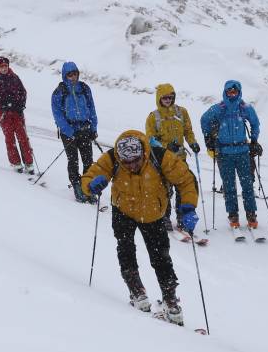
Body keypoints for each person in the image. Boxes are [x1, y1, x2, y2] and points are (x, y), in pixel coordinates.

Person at [81, 131, 199, 325]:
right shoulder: (113, 157)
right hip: (123, 210)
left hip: (153, 213)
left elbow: (186, 179)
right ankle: (136, 289)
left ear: (142, 153)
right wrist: (90, 186)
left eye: (135, 161)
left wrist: (188, 206)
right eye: (126, 163)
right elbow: (90, 175)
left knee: (161, 257)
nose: (131, 166)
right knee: (125, 248)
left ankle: (170, 298)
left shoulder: (159, 156)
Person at [199, 80, 261, 230]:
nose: (232, 94)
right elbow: (204, 120)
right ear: (225, 92)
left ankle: (251, 213)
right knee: (229, 186)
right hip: (224, 153)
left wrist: (254, 140)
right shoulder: (219, 108)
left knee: (247, 184)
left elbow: (255, 123)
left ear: (239, 92)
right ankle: (233, 214)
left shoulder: (244, 108)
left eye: (234, 92)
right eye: (229, 92)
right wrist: (208, 138)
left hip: (242, 152)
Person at [145, 83, 200, 231]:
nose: (168, 100)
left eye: (170, 97)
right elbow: (150, 139)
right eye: (165, 98)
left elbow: (188, 131)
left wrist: (193, 143)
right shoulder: (153, 117)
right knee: (164, 189)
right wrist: (166, 147)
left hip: (180, 159)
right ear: (159, 99)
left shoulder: (182, 112)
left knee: (184, 186)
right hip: (162, 160)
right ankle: (164, 216)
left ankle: (182, 216)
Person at [52, 61, 99, 201]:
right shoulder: (59, 92)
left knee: (88, 161)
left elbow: (92, 109)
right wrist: (68, 131)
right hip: (69, 133)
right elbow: (57, 114)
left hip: (84, 129)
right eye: (70, 74)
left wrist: (93, 127)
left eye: (75, 74)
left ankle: (87, 185)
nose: (73, 77)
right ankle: (77, 185)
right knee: (73, 160)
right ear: (65, 76)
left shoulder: (84, 88)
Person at [0, 56, 35, 173]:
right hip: (4, 114)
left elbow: (23, 92)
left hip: (17, 112)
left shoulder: (14, 78)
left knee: (23, 137)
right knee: (9, 138)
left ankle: (29, 162)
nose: (4, 68)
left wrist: (21, 104)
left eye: (6, 66)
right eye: (1, 66)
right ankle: (16, 162)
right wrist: (1, 105)